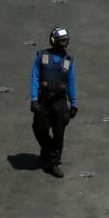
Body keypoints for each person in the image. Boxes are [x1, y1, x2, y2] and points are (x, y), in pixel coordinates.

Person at [31, 27, 78, 178]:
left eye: (66, 41)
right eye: (62, 41)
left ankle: (54, 163)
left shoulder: (68, 61)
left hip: (60, 103)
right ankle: (48, 151)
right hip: (43, 101)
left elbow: (71, 83)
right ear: (53, 41)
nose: (65, 44)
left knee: (59, 134)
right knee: (39, 129)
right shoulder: (42, 56)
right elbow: (35, 78)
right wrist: (34, 100)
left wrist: (74, 103)